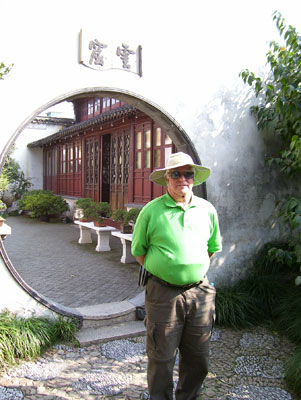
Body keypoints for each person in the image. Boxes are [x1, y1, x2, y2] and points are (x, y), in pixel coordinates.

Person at [131, 152, 222, 400]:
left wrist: (191, 267)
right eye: (176, 173)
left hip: (199, 293)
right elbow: (139, 251)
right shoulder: (151, 211)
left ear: (194, 178)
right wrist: (167, 270)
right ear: (167, 178)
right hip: (163, 293)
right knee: (161, 358)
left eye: (188, 174)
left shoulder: (207, 209)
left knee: (199, 358)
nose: (183, 178)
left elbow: (212, 247)